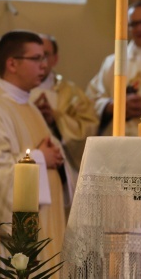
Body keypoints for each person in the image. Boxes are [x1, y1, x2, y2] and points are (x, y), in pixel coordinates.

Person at [0, 31, 65, 271]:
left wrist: (53, 157)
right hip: (11, 245)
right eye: (37, 59)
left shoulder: (28, 105)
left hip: (46, 222)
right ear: (12, 63)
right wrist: (41, 158)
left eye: (45, 58)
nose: (45, 66)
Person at [30, 34, 99, 186]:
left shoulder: (71, 92)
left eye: (45, 55)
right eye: (35, 56)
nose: (41, 61)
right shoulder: (20, 91)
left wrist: (56, 119)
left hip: (62, 167)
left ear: (55, 59)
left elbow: (89, 128)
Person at [86, 0, 141, 136]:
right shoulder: (113, 62)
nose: (140, 28)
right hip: (117, 137)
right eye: (134, 24)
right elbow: (91, 101)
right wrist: (114, 106)